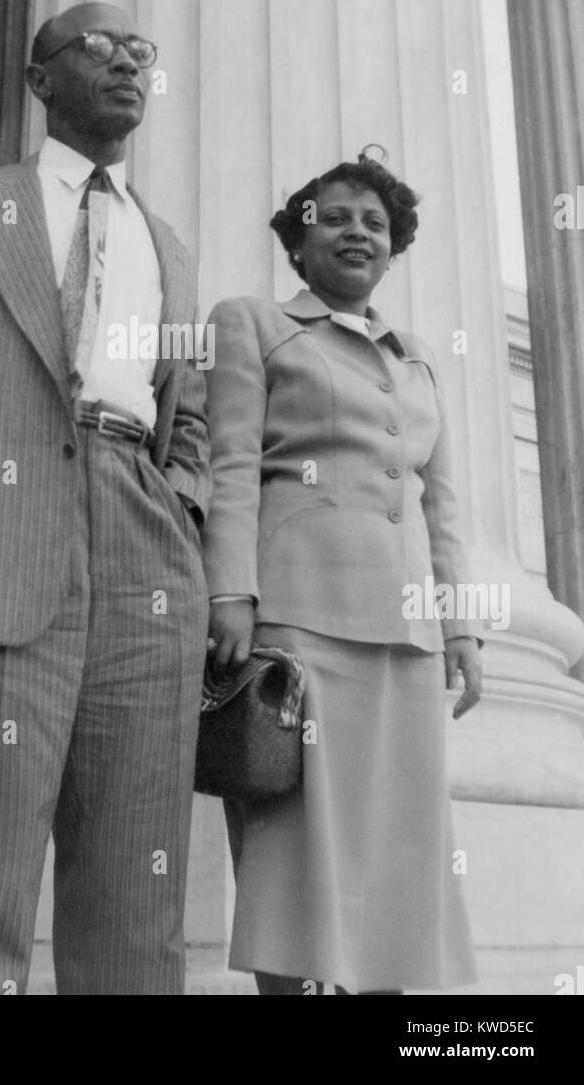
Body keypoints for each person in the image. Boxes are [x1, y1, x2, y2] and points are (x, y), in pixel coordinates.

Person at [0, 1, 210, 995]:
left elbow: (190, 409)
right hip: (0, 544)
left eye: (141, 50)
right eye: (96, 46)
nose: (125, 63)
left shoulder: (169, 246)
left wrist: (180, 504)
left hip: (146, 549)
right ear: (40, 77)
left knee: (138, 879)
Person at [201, 151, 483, 995]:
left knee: (400, 852)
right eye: (337, 216)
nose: (358, 230)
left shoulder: (420, 358)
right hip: (298, 624)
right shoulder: (252, 323)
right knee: (293, 849)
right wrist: (230, 595)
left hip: (405, 635)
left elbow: (444, 503)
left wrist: (462, 624)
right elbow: (231, 467)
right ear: (299, 241)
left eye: (377, 223)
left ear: (393, 250)